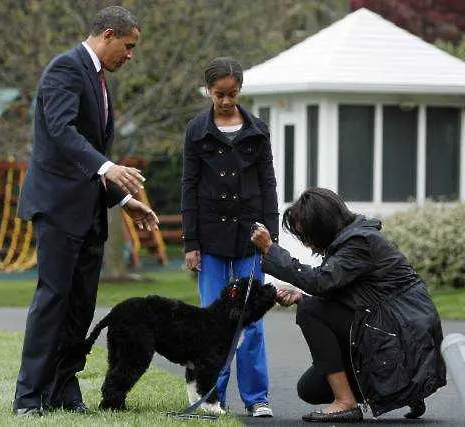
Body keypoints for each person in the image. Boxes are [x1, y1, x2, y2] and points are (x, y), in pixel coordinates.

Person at [13, 6, 159, 416]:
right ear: (108, 34)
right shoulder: (65, 68)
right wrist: (109, 167)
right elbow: (61, 133)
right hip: (58, 209)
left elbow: (89, 159)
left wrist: (124, 200)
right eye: (128, 46)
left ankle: (63, 390)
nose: (130, 55)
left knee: (81, 306)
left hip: (90, 211)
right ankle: (28, 397)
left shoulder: (99, 80)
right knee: (53, 300)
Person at [251, 187, 447, 422]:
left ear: (323, 225)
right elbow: (348, 293)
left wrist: (271, 250)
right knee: (310, 388)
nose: (307, 244)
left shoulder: (360, 242)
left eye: (307, 235)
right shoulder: (353, 240)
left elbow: (322, 281)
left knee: (310, 311)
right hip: (395, 332)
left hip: (404, 341)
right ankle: (403, 390)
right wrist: (302, 295)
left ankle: (346, 403)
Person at [181, 57, 279, 417]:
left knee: (250, 323)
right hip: (210, 238)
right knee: (212, 322)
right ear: (209, 91)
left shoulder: (258, 131)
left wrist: (272, 235)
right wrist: (191, 242)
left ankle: (257, 399)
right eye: (219, 94)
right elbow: (189, 186)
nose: (225, 101)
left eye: (232, 94)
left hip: (251, 237)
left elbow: (268, 184)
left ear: (240, 89)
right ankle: (211, 398)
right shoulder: (196, 131)